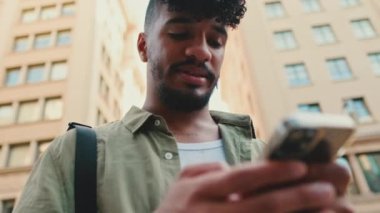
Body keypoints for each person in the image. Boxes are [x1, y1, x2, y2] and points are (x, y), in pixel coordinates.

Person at [14, 0, 353, 212]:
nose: (202, 51)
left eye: (216, 41)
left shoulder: (266, 158)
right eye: (180, 34)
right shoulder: (75, 154)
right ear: (144, 47)